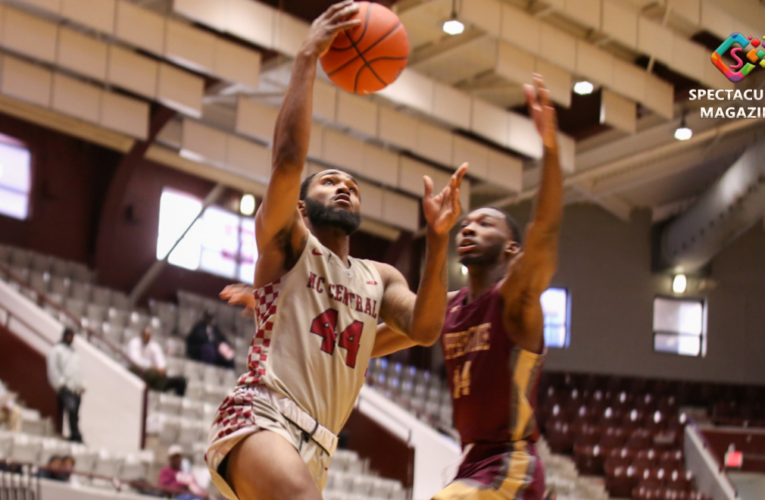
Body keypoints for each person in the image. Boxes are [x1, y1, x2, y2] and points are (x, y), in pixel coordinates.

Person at [205, 2, 468, 499]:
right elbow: (287, 161)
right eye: (329, 182)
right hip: (263, 413)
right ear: (302, 207)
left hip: (319, 444)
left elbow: (426, 328)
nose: (344, 187)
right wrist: (307, 57)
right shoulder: (289, 244)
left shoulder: (380, 277)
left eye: (352, 185)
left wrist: (437, 240)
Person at [371, 75, 562, 500]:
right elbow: (372, 343)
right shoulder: (449, 308)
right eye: (467, 222)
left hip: (512, 461)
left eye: (485, 223)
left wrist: (550, 148)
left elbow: (545, 232)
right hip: (473, 462)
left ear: (512, 248)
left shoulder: (515, 301)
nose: (469, 227)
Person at [46, 328, 84, 443]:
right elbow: (53, 369)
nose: (70, 338)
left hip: (75, 388)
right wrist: (61, 383)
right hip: (65, 387)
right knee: (71, 410)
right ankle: (75, 435)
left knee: (75, 415)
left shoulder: (73, 352)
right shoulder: (57, 350)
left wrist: (81, 384)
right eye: (68, 336)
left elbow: (77, 370)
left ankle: (74, 435)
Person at [126, 327, 187, 396]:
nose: (146, 337)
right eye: (145, 335)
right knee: (151, 373)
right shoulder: (134, 342)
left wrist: (161, 369)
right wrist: (152, 366)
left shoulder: (154, 346)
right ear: (142, 335)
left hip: (153, 375)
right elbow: (134, 360)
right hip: (136, 373)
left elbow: (161, 362)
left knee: (180, 381)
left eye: (148, 335)